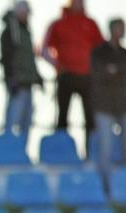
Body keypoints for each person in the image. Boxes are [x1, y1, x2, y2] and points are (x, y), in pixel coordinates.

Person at [42, 0, 103, 154]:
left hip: (87, 77)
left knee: (90, 118)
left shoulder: (91, 24)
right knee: (62, 116)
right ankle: (62, 153)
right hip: (66, 76)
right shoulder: (58, 24)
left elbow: (101, 49)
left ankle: (90, 152)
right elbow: (43, 48)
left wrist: (95, 70)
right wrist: (58, 66)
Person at [0, 0, 44, 144]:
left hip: (28, 83)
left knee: (27, 120)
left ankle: (21, 151)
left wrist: (37, 77)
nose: (27, 16)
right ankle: (9, 150)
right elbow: (8, 57)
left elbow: (29, 58)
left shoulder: (25, 32)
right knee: (13, 119)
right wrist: (11, 78)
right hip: (18, 84)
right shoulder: (10, 33)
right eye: (25, 12)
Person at [91, 18, 126, 185]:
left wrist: (114, 71)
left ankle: (122, 185)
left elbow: (116, 74)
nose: (123, 31)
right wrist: (117, 73)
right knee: (106, 148)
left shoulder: (124, 54)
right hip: (103, 106)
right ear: (112, 30)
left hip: (123, 105)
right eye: (120, 28)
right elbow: (99, 75)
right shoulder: (98, 53)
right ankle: (104, 185)